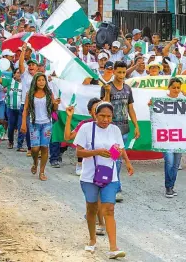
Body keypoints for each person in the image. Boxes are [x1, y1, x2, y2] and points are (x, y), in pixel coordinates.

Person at [73, 102, 134, 259]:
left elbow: (118, 152)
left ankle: (113, 247)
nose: (105, 119)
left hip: (110, 176)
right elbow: (78, 152)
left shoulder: (115, 130)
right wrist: (97, 152)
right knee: (92, 209)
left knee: (109, 209)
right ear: (95, 114)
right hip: (89, 176)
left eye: (109, 116)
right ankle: (92, 240)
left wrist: (119, 155)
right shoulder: (86, 128)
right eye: (102, 116)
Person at [101, 61, 140, 202]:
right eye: (119, 72)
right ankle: (111, 186)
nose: (122, 75)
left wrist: (136, 125)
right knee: (111, 158)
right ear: (114, 72)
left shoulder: (128, 89)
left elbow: (131, 108)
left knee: (117, 159)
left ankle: (115, 187)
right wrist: (106, 92)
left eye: (124, 72)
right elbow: (105, 106)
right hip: (110, 129)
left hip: (124, 129)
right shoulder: (107, 87)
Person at [149, 78, 184, 197]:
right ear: (169, 87)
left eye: (178, 87)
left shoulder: (183, 100)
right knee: (169, 161)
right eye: (173, 87)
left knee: (176, 163)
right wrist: (151, 105)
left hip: (179, 137)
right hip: (166, 137)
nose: (176, 90)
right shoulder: (162, 100)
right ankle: (168, 187)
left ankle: (171, 185)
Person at [21, 73, 59, 181]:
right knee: (35, 148)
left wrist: (56, 103)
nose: (41, 82)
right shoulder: (30, 94)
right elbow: (25, 109)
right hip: (34, 124)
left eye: (43, 80)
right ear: (35, 82)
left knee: (44, 147)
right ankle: (35, 162)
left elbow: (54, 109)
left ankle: (42, 171)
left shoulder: (49, 93)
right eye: (39, 80)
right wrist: (24, 123)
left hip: (47, 123)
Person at [65, 98, 102, 175]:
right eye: (96, 110)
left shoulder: (110, 126)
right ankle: (80, 164)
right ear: (90, 112)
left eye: (100, 109)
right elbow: (68, 137)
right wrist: (69, 117)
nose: (99, 112)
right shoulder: (84, 125)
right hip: (88, 158)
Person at [19, 43, 38, 156]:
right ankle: (30, 148)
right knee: (27, 125)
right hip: (24, 104)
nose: (31, 66)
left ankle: (37, 147)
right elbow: (21, 64)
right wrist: (23, 51)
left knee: (36, 125)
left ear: (37, 67)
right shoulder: (24, 75)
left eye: (33, 65)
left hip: (36, 104)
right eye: (29, 64)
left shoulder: (40, 77)